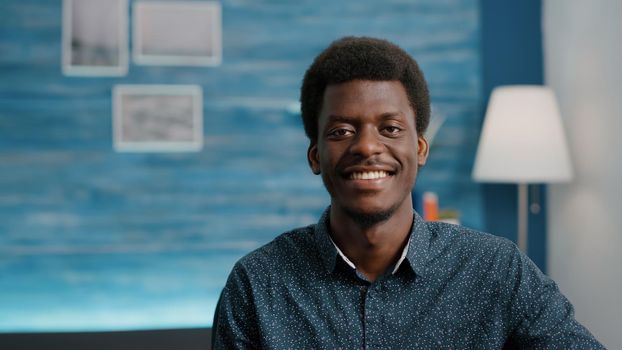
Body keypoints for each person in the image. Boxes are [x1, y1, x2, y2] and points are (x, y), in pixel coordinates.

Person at [212, 36, 603, 349]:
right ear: (316, 155)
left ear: (420, 149)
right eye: (342, 131)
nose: (366, 147)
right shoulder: (257, 285)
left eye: (391, 128)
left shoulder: (497, 271)